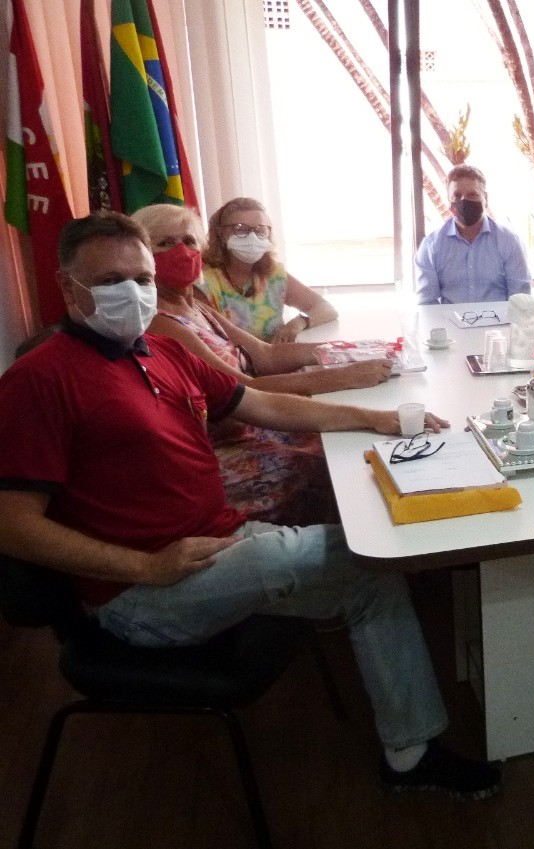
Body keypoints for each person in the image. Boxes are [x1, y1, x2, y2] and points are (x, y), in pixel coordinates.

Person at [0, 211, 501, 799]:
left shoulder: (163, 350)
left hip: (222, 545)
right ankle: (413, 755)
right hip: (143, 595)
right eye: (111, 282)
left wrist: (378, 418)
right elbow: (11, 524)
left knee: (373, 574)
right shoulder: (38, 380)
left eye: (141, 280)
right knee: (372, 556)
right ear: (68, 288)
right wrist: (146, 567)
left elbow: (265, 406)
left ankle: (410, 755)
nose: (132, 294)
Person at [133, 203, 393, 526]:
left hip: (255, 425)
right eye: (164, 243)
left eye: (188, 241)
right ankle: (346, 557)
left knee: (353, 445)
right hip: (226, 446)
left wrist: (351, 351)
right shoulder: (160, 322)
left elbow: (266, 355)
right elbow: (245, 389)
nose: (181, 252)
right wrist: (346, 376)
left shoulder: (194, 308)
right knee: (338, 464)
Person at [201, 197, 338, 342]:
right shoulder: (204, 281)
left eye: (260, 230)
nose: (252, 237)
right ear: (221, 234)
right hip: (229, 362)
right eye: (240, 229)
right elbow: (208, 341)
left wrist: (298, 323)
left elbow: (326, 309)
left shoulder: (273, 274)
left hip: (277, 360)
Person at [415, 164, 532, 305]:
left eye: (473, 194)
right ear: (449, 201)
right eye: (457, 196)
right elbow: (427, 303)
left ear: (485, 199)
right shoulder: (431, 246)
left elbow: (520, 300)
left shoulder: (509, 241)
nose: (464, 201)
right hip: (450, 325)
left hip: (498, 325)